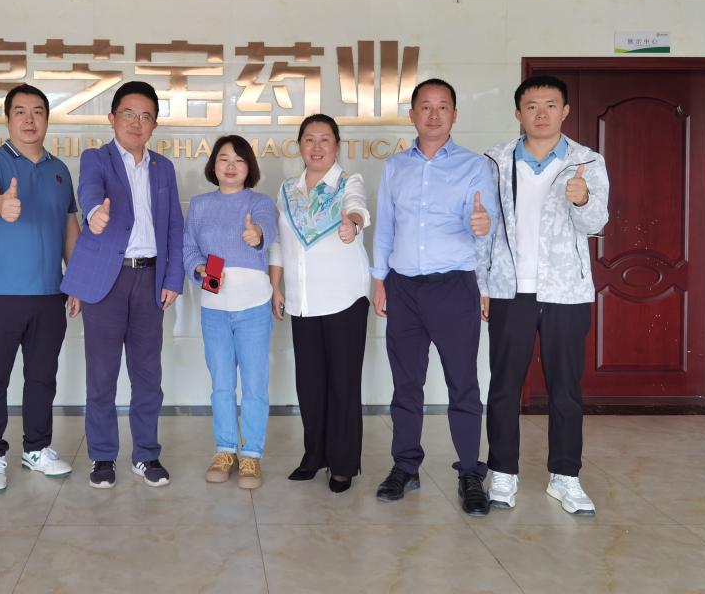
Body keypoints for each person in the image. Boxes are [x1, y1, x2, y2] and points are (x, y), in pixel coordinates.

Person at [479, 75, 610, 515]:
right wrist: (483, 284)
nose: (541, 113)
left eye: (550, 105)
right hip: (509, 290)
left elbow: (597, 223)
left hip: (565, 291)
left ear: (565, 111)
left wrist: (583, 199)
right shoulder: (495, 161)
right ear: (518, 113)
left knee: (566, 389)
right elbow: (484, 229)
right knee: (503, 386)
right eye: (532, 106)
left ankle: (565, 476)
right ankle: (502, 471)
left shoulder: (586, 162)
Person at [371, 78, 498, 516]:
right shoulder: (395, 167)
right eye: (425, 106)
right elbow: (385, 226)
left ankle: (470, 473)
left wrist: (482, 224)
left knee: (463, 383)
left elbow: (487, 223)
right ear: (412, 114)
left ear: (455, 115)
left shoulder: (473, 166)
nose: (433, 114)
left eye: (443, 106)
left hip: (454, 286)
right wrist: (378, 279)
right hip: (403, 286)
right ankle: (405, 466)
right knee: (406, 384)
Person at [60, 81, 184, 489]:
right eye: (128, 114)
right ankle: (102, 456)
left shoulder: (163, 168)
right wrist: (95, 213)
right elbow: (89, 191)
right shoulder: (96, 158)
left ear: (154, 125)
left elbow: (174, 226)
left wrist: (174, 278)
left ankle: (146, 454)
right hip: (106, 282)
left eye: (146, 116)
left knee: (148, 375)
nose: (136, 122)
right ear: (112, 118)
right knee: (102, 375)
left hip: (151, 280)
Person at [0, 83, 80, 493]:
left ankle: (36, 448)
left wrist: (76, 281)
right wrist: (1, 205)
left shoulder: (59, 170)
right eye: (20, 111)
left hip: (49, 294)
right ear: (8, 119)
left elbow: (70, 227)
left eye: (38, 112)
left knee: (42, 377)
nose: (29, 120)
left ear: (47, 119)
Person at [269, 114, 371, 494]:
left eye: (324, 139)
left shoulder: (348, 182)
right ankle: (314, 455)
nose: (316, 147)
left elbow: (359, 209)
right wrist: (276, 287)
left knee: (343, 384)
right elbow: (278, 242)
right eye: (309, 139)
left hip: (345, 299)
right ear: (300, 145)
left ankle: (342, 464)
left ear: (336, 145)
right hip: (303, 301)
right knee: (310, 385)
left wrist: (352, 224)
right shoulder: (287, 190)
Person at [183, 135, 277, 489]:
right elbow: (189, 249)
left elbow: (266, 229)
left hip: (254, 307)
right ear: (214, 165)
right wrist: (202, 271)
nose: (231, 165)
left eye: (239, 159)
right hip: (215, 309)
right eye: (224, 158)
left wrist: (257, 235)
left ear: (249, 166)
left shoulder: (260, 202)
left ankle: (251, 454)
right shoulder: (200, 204)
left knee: (254, 384)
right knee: (221, 385)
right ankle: (225, 450)